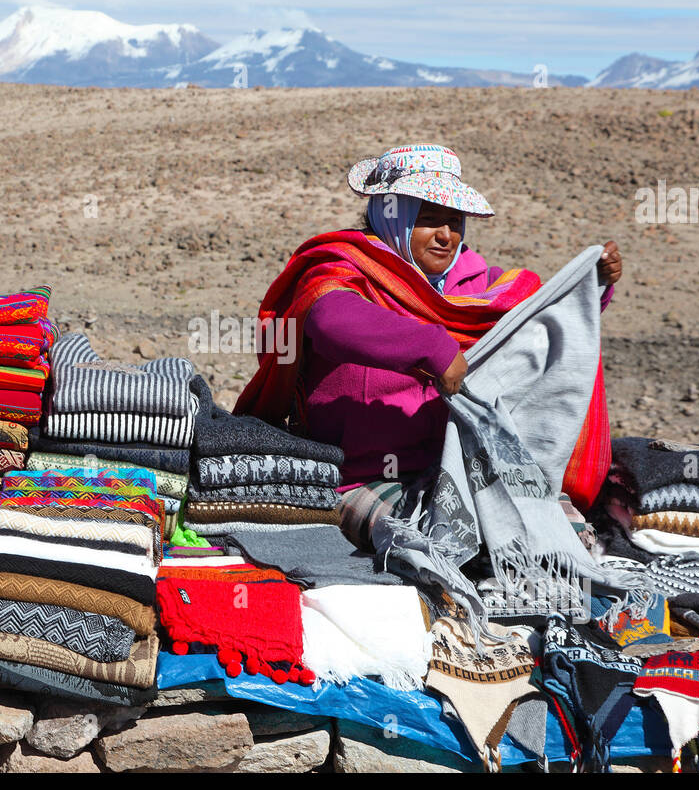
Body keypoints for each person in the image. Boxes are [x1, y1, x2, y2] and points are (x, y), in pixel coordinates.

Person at [234, 143, 623, 548]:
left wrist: (592, 288)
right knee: (438, 548)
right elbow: (330, 318)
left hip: (466, 470)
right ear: (391, 215)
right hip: (363, 477)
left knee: (564, 541)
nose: (446, 236)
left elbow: (541, 321)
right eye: (429, 220)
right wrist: (432, 346)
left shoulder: (479, 285)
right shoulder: (343, 266)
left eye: (455, 222)